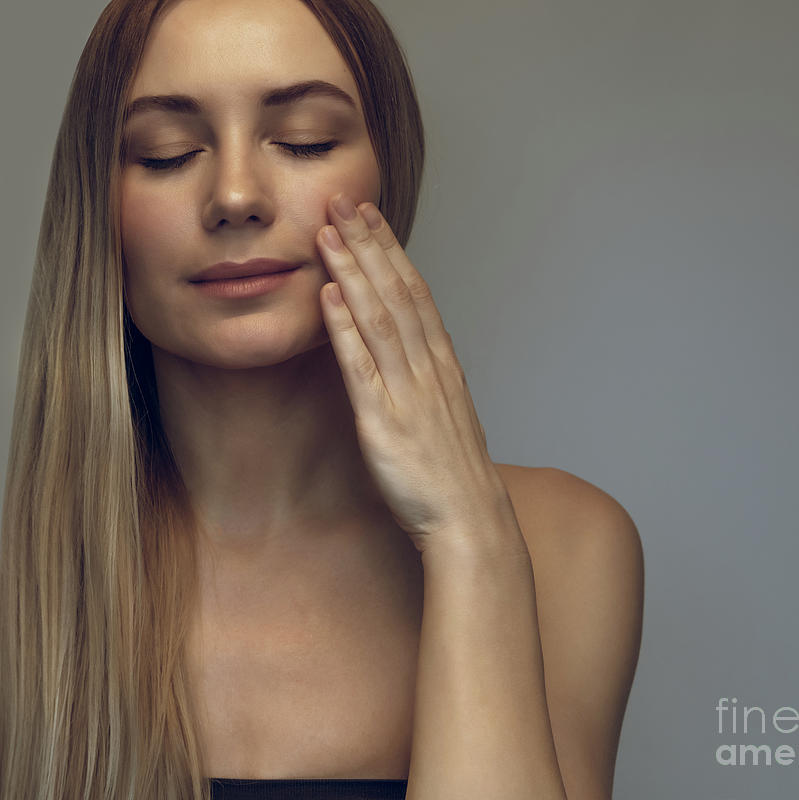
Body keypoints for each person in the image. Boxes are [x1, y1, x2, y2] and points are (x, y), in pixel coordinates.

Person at [0, 0, 644, 798]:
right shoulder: (20, 581)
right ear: (98, 208)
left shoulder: (567, 544)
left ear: (388, 171)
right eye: (167, 154)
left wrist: (468, 538)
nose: (235, 194)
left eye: (305, 139)